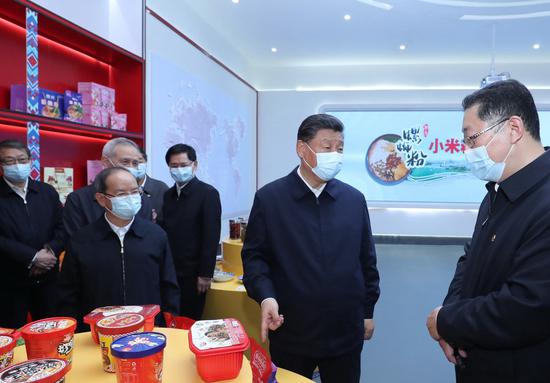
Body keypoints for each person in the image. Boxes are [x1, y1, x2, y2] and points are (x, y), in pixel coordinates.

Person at [426, 79, 550, 383]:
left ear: (514, 129)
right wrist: (452, 322)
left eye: (472, 139)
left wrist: (446, 320)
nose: (467, 151)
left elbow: (527, 306)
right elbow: (470, 260)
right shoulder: (497, 191)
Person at [241, 114, 380, 383]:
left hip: (345, 330)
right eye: (327, 147)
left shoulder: (353, 200)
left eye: (340, 148)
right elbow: (255, 258)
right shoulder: (271, 199)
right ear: (301, 149)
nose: (335, 155)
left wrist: (367, 311)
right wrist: (266, 296)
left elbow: (367, 261)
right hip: (292, 329)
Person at [57, 167, 180, 330]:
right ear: (101, 199)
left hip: (148, 328)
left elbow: (169, 284)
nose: (131, 198)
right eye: (121, 194)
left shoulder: (156, 235)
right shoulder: (82, 240)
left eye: (135, 192)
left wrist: (169, 322)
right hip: (98, 331)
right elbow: (68, 293)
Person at [0, 139, 65, 328]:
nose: (17, 165)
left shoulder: (46, 191)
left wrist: (50, 252)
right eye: (9, 161)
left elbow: (62, 227)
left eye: (21, 160)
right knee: (10, 335)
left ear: (30, 161)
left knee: (51, 331)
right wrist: (32, 257)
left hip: (48, 280)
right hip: (9, 281)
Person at [160, 144, 221, 320]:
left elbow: (211, 236)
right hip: (170, 269)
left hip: (194, 274)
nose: (179, 169)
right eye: (174, 166)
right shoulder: (168, 195)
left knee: (189, 319)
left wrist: (205, 274)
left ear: (194, 165)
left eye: (184, 165)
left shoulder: (207, 193)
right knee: (170, 316)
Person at [63, 138, 153, 237]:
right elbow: (76, 242)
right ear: (105, 162)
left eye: (135, 163)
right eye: (125, 162)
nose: (131, 167)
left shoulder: (143, 200)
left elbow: (148, 238)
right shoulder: (78, 200)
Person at [136, 147, 169, 222]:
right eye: (133, 163)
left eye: (140, 162)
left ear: (146, 162)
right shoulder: (118, 189)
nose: (137, 166)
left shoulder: (161, 188)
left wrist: (156, 221)